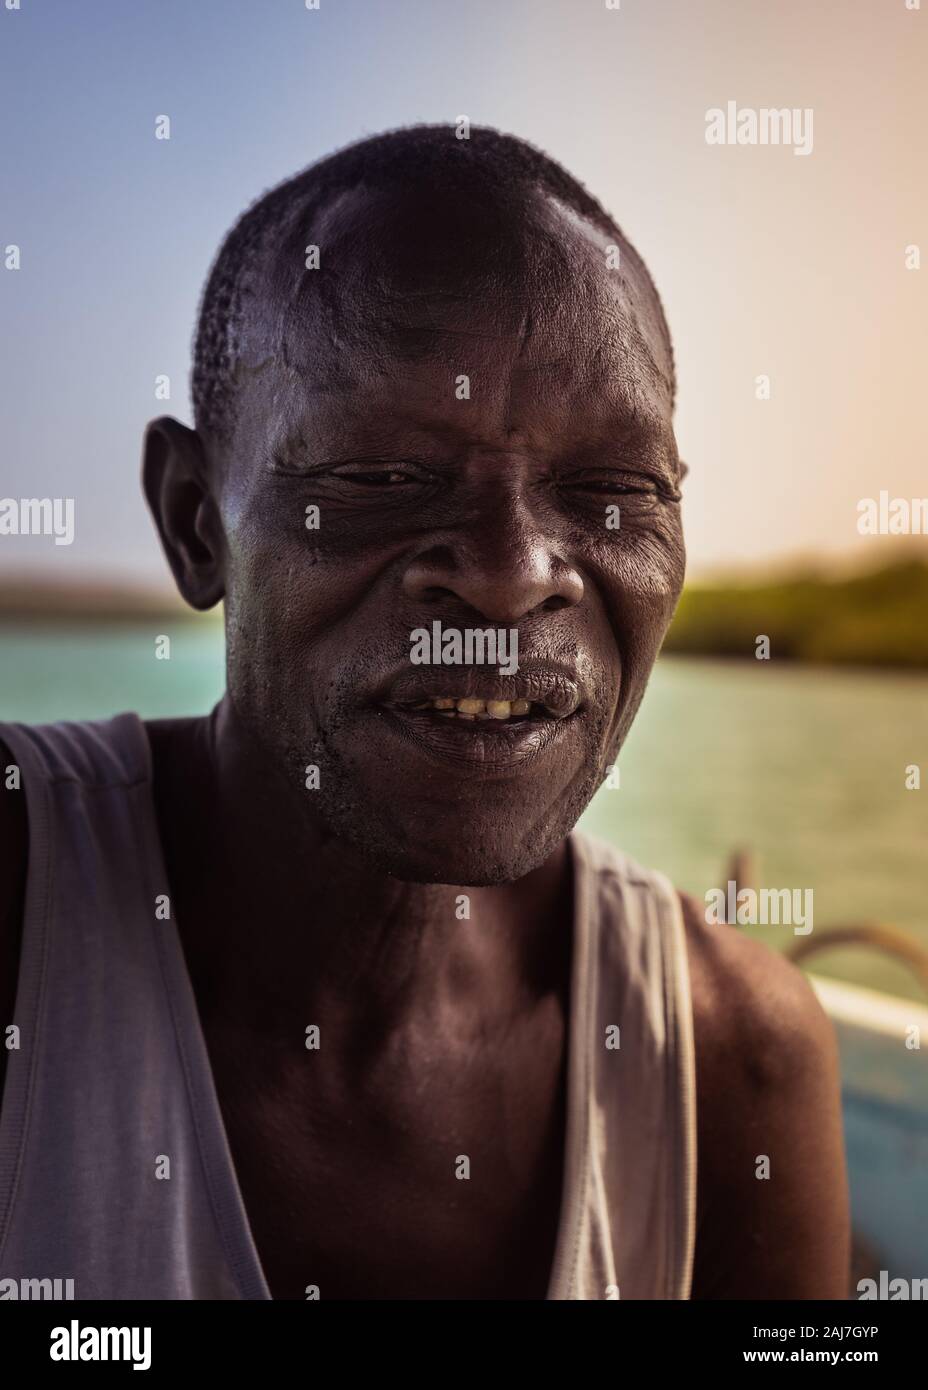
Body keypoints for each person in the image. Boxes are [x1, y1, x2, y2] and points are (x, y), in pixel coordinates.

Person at [0, 125, 848, 1300]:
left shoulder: (729, 1057)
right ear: (198, 522)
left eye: (611, 489)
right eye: (381, 479)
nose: (512, 573)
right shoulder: (24, 904)